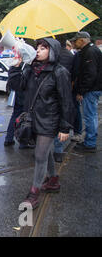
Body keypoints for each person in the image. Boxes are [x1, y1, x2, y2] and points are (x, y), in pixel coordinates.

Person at [8, 37, 74, 209]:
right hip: (33, 120)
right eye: (38, 47)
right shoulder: (32, 68)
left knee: (39, 155)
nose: (38, 50)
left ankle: (34, 193)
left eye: (44, 48)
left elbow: (66, 101)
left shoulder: (60, 72)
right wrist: (15, 68)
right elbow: (18, 86)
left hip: (49, 121)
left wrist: (65, 126)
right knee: (46, 153)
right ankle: (52, 180)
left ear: (52, 51)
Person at [71, 31, 102, 153]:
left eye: (76, 40)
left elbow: (90, 74)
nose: (74, 43)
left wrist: (81, 91)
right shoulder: (92, 50)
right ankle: (90, 141)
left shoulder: (89, 52)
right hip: (93, 88)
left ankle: (90, 143)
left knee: (90, 116)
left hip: (91, 90)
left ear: (82, 40)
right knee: (91, 116)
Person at [52, 38, 75, 162]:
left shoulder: (53, 60)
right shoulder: (70, 55)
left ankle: (52, 151)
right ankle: (58, 151)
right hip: (65, 90)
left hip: (55, 94)